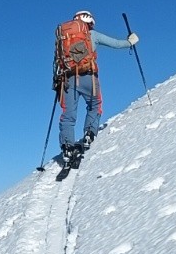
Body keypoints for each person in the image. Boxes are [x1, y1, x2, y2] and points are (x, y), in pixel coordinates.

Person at [54, 10, 139, 158]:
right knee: (95, 105)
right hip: (88, 77)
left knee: (68, 115)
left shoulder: (63, 38)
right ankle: (89, 134)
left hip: (67, 80)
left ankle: (67, 147)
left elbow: (57, 62)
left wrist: (57, 84)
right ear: (90, 22)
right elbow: (116, 44)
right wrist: (130, 41)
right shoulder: (92, 35)